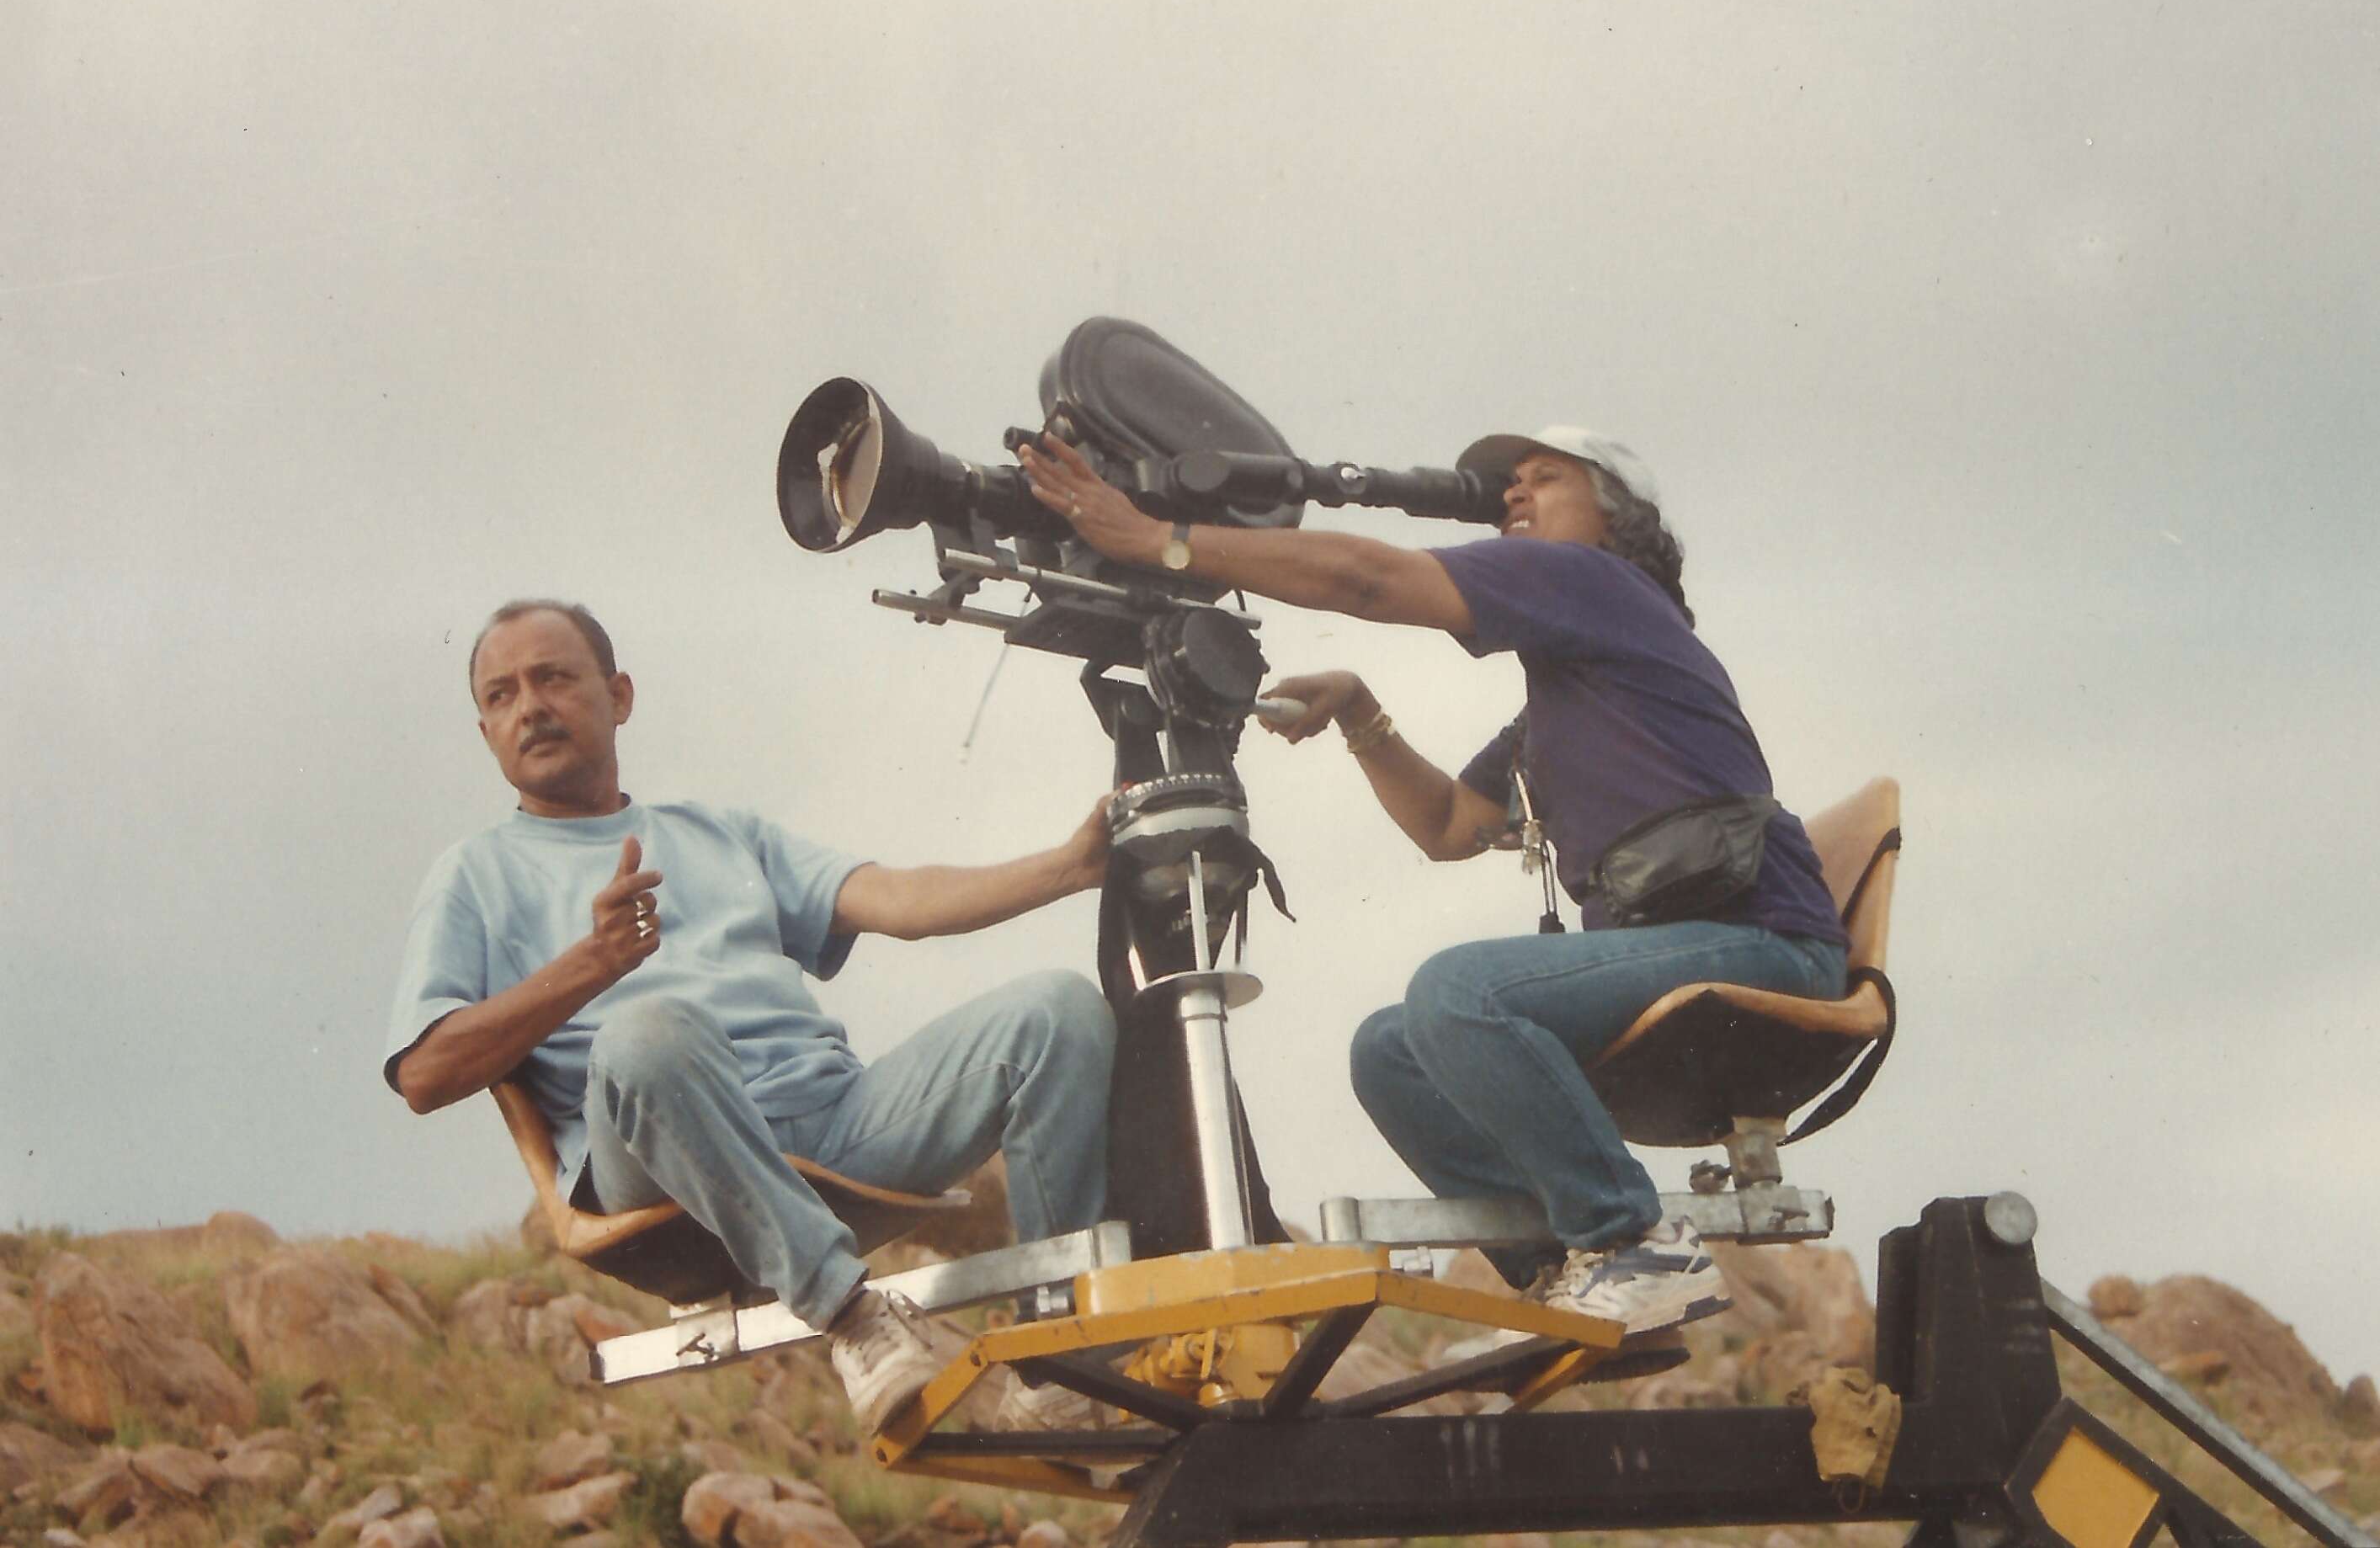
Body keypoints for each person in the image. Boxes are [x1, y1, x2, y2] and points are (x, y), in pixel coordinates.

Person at [1016, 424, 1849, 1337]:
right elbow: (1449, 825)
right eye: (1509, 489)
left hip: (1766, 949)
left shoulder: (1601, 580)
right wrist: (1361, 715)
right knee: (1390, 1050)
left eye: (1546, 478)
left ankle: (1632, 1245)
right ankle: (1572, 1279)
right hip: (1685, 967)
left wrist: (1159, 541)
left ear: (1618, 518)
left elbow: (1367, 579)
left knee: (1455, 991)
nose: (1514, 499)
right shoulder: (1566, 695)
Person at [385, 598, 1119, 1431]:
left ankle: (1065, 1364)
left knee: (1057, 1010)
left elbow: (902, 898)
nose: (530, 705)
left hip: (836, 1124)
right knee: (651, 1031)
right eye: (502, 693)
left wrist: (1069, 866)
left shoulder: (718, 832)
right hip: (661, 1167)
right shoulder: (474, 874)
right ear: (485, 730)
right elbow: (423, 1072)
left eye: (553, 677)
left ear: (619, 695)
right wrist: (590, 966)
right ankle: (852, 1317)